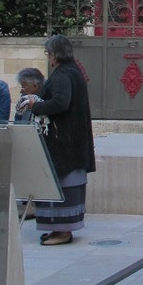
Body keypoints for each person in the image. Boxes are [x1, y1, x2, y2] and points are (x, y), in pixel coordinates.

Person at [21, 35, 96, 245]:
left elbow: (61, 103)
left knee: (65, 188)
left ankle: (63, 231)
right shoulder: (71, 71)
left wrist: (35, 106)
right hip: (70, 141)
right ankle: (57, 229)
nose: (49, 57)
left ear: (56, 54)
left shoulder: (64, 74)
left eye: (49, 53)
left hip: (65, 143)